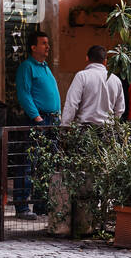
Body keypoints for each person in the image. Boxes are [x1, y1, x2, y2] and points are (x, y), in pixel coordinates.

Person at [14, 31, 61, 219]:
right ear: (33, 47)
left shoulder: (45, 67)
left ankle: (41, 205)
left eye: (48, 43)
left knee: (45, 164)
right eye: (43, 43)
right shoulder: (27, 67)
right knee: (27, 163)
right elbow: (24, 94)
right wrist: (37, 118)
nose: (47, 46)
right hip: (39, 121)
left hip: (52, 121)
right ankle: (22, 206)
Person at [61, 45, 124, 126]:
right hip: (107, 131)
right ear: (105, 61)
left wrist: (65, 126)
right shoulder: (116, 80)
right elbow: (120, 109)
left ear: (87, 58)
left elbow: (72, 104)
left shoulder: (82, 76)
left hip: (85, 132)